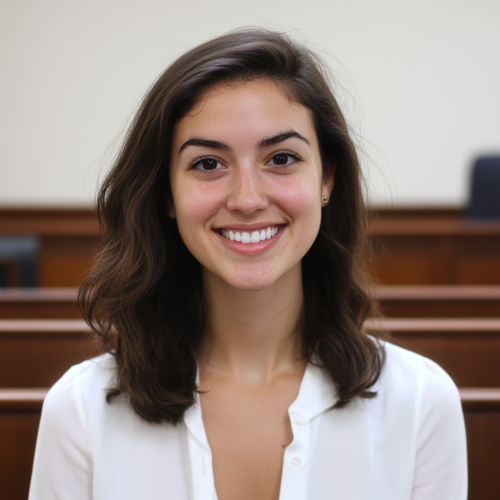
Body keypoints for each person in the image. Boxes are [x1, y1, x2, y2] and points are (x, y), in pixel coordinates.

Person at [28, 28, 467, 500]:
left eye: (281, 158)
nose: (247, 199)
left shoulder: (420, 402)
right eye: (207, 164)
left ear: (327, 177)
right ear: (167, 194)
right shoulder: (79, 411)